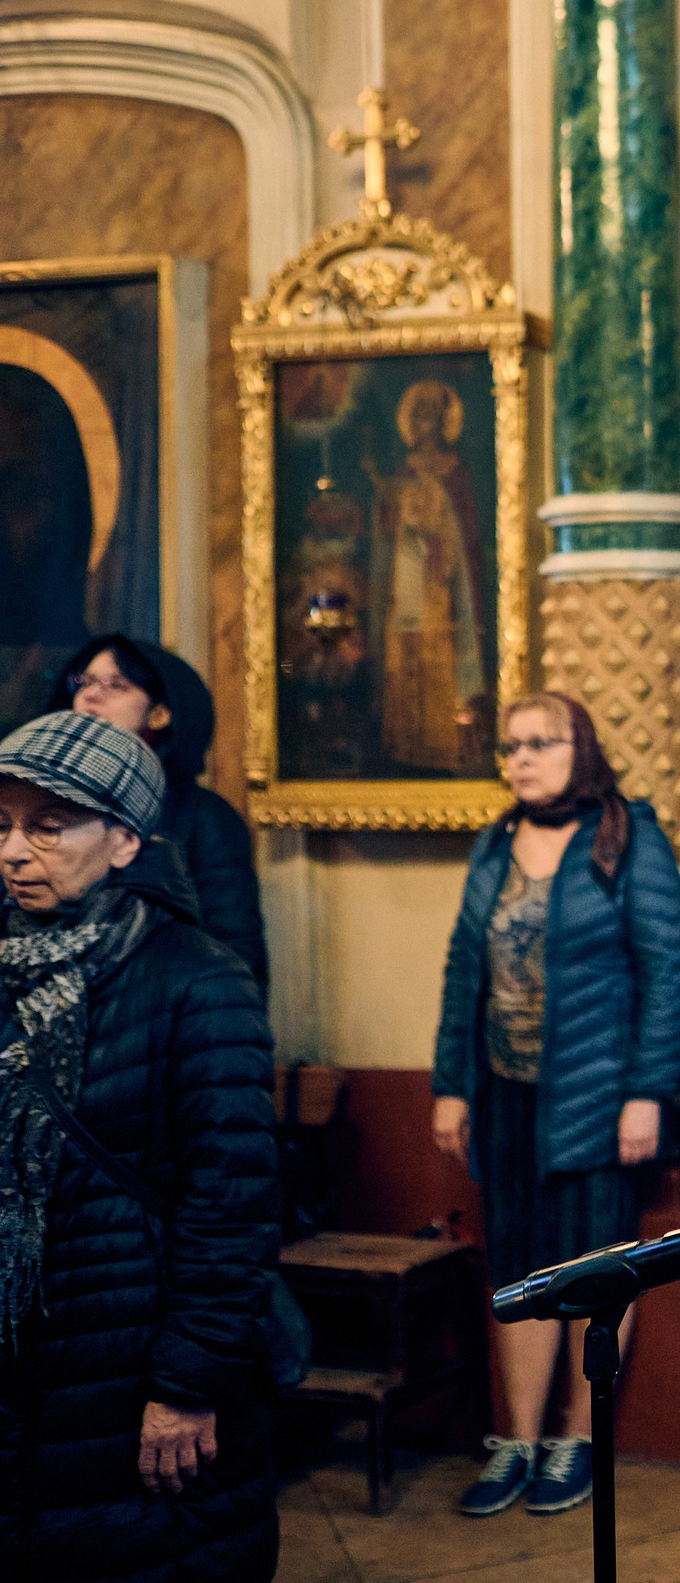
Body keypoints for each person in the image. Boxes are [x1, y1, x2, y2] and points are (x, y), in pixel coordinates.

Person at [0, 712, 279, 1581]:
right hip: (24, 1375)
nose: (14, 851)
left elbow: (229, 1203)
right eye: (2, 825)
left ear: (124, 840)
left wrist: (188, 1385)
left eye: (48, 826)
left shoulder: (196, 979)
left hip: (131, 1369)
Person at [429, 692, 680, 1516]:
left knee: (594, 1268)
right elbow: (461, 972)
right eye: (511, 746)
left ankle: (576, 1441)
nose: (524, 758)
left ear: (582, 747)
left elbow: (666, 971)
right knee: (516, 1267)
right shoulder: (494, 842)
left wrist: (647, 1092)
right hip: (506, 1098)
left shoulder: (626, 835)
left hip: (595, 1097)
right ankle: (518, 1441)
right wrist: (449, 1086)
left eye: (542, 742)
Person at [49, 637, 267, 988]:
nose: (89, 695)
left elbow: (234, 953)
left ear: (160, 713)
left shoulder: (203, 816)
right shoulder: (47, 801)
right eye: (84, 682)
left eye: (115, 685)